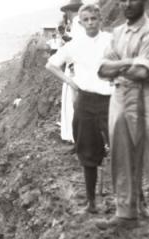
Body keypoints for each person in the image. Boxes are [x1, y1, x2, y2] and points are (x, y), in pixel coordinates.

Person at [46, 4, 113, 214]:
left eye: (94, 18)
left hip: (111, 102)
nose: (91, 22)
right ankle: (91, 203)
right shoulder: (74, 45)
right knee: (88, 154)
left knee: (122, 151)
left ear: (100, 19)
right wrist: (71, 82)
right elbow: (51, 64)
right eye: (87, 19)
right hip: (85, 102)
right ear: (81, 22)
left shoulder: (111, 41)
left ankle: (132, 202)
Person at [97, 0, 149, 228]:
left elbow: (143, 71)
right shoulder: (117, 32)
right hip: (120, 95)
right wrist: (130, 62)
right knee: (121, 152)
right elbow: (102, 69)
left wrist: (118, 66)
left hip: (148, 95)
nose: (127, 3)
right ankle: (126, 212)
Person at [59, 0, 83, 144]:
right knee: (71, 99)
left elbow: (78, 45)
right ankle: (74, 135)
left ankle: (74, 136)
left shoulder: (78, 22)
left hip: (76, 65)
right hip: (75, 63)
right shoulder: (77, 23)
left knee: (73, 100)